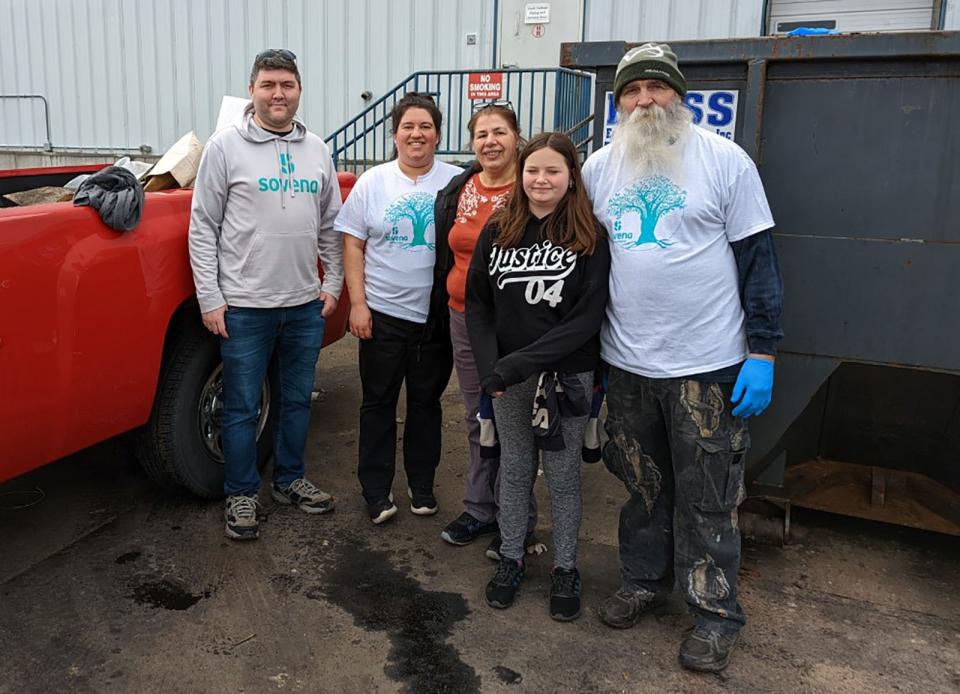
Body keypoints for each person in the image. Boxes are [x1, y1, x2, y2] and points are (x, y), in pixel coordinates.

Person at [581, 43, 783, 671]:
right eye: (632, 91)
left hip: (707, 365)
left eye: (656, 88)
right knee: (642, 485)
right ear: (618, 104)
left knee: (708, 498)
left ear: (679, 95)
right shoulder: (600, 168)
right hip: (627, 365)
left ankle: (715, 614)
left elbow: (760, 262)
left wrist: (764, 353)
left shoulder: (725, 161)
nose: (645, 100)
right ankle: (644, 581)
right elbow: (588, 266)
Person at [189, 49, 343, 541]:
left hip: (302, 306)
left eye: (288, 85)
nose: (279, 93)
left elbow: (330, 227)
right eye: (269, 84)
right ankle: (241, 493)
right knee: (240, 406)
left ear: (299, 91)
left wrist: (333, 283)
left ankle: (290, 480)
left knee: (296, 400)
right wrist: (210, 297)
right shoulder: (224, 147)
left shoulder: (317, 149)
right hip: (245, 307)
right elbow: (202, 227)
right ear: (252, 90)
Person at [466, 132, 610, 621]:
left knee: (565, 477)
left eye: (553, 171)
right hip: (508, 377)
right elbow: (479, 305)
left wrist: (518, 363)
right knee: (515, 469)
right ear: (520, 174)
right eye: (532, 170)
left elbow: (586, 319)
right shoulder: (499, 228)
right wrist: (492, 369)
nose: (540, 180)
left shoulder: (589, 235)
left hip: (566, 376)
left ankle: (566, 567)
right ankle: (510, 557)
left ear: (571, 178)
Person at [336, 93, 460, 525]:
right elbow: (353, 241)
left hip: (436, 320)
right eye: (408, 126)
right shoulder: (374, 182)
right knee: (378, 403)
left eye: (425, 126)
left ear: (438, 134)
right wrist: (358, 304)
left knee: (426, 403)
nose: (417, 134)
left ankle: (421, 484)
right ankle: (376, 489)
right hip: (383, 315)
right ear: (395, 134)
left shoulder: (457, 182)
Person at [432, 102, 538, 558]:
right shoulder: (462, 187)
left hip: (516, 327)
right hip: (463, 318)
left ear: (516, 137)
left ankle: (518, 518)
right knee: (478, 417)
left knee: (517, 424)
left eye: (499, 132)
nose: (490, 142)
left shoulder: (533, 187)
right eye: (481, 134)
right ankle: (479, 508)